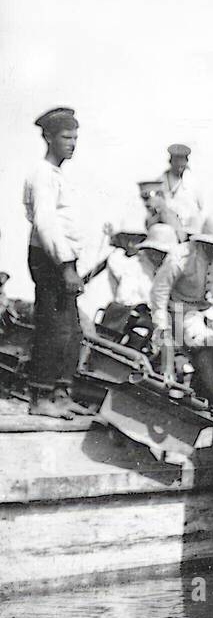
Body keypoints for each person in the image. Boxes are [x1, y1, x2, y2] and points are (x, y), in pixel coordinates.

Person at [23, 107, 92, 419]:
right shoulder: (42, 174)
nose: (72, 143)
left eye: (75, 137)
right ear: (48, 137)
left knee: (72, 330)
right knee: (53, 328)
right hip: (51, 260)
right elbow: (46, 224)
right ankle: (40, 396)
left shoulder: (58, 175)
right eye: (66, 137)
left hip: (64, 260)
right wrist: (66, 266)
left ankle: (61, 393)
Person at [150, 214, 213, 405]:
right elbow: (160, 293)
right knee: (204, 349)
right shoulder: (181, 257)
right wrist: (162, 328)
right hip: (180, 311)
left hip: (208, 310)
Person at [159, 143, 203, 235]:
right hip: (168, 231)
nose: (179, 166)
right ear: (171, 161)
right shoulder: (161, 182)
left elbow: (201, 206)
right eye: (176, 162)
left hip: (190, 230)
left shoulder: (193, 182)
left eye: (182, 163)